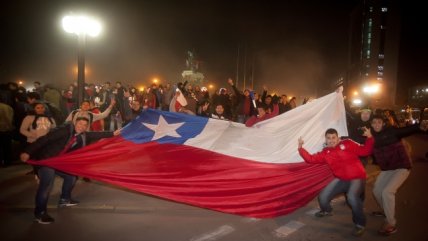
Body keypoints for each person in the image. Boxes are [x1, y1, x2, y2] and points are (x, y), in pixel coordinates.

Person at [20, 117, 120, 224]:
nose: (81, 126)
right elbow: (45, 139)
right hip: (46, 160)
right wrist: (28, 152)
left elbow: (97, 134)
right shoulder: (64, 130)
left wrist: (113, 133)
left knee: (71, 176)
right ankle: (40, 214)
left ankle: (64, 199)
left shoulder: (83, 135)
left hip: (59, 163)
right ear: (74, 123)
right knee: (47, 185)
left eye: (84, 125)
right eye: (80, 123)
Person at [298, 128, 373, 237]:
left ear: (338, 138)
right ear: (326, 140)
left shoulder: (348, 143)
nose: (331, 140)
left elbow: (365, 151)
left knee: (351, 197)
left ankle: (360, 224)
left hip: (357, 178)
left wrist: (370, 138)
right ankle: (327, 211)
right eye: (328, 138)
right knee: (323, 196)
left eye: (333, 137)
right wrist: (300, 148)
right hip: (341, 179)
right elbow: (311, 159)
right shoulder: (325, 152)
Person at [370, 115, 428, 235]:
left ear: (383, 123)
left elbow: (406, 130)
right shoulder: (370, 136)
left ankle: (391, 223)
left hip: (402, 167)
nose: (376, 125)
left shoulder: (391, 132)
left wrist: (419, 126)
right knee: (376, 190)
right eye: (374, 122)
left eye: (379, 122)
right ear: (371, 124)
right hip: (387, 169)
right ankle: (386, 210)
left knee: (387, 192)